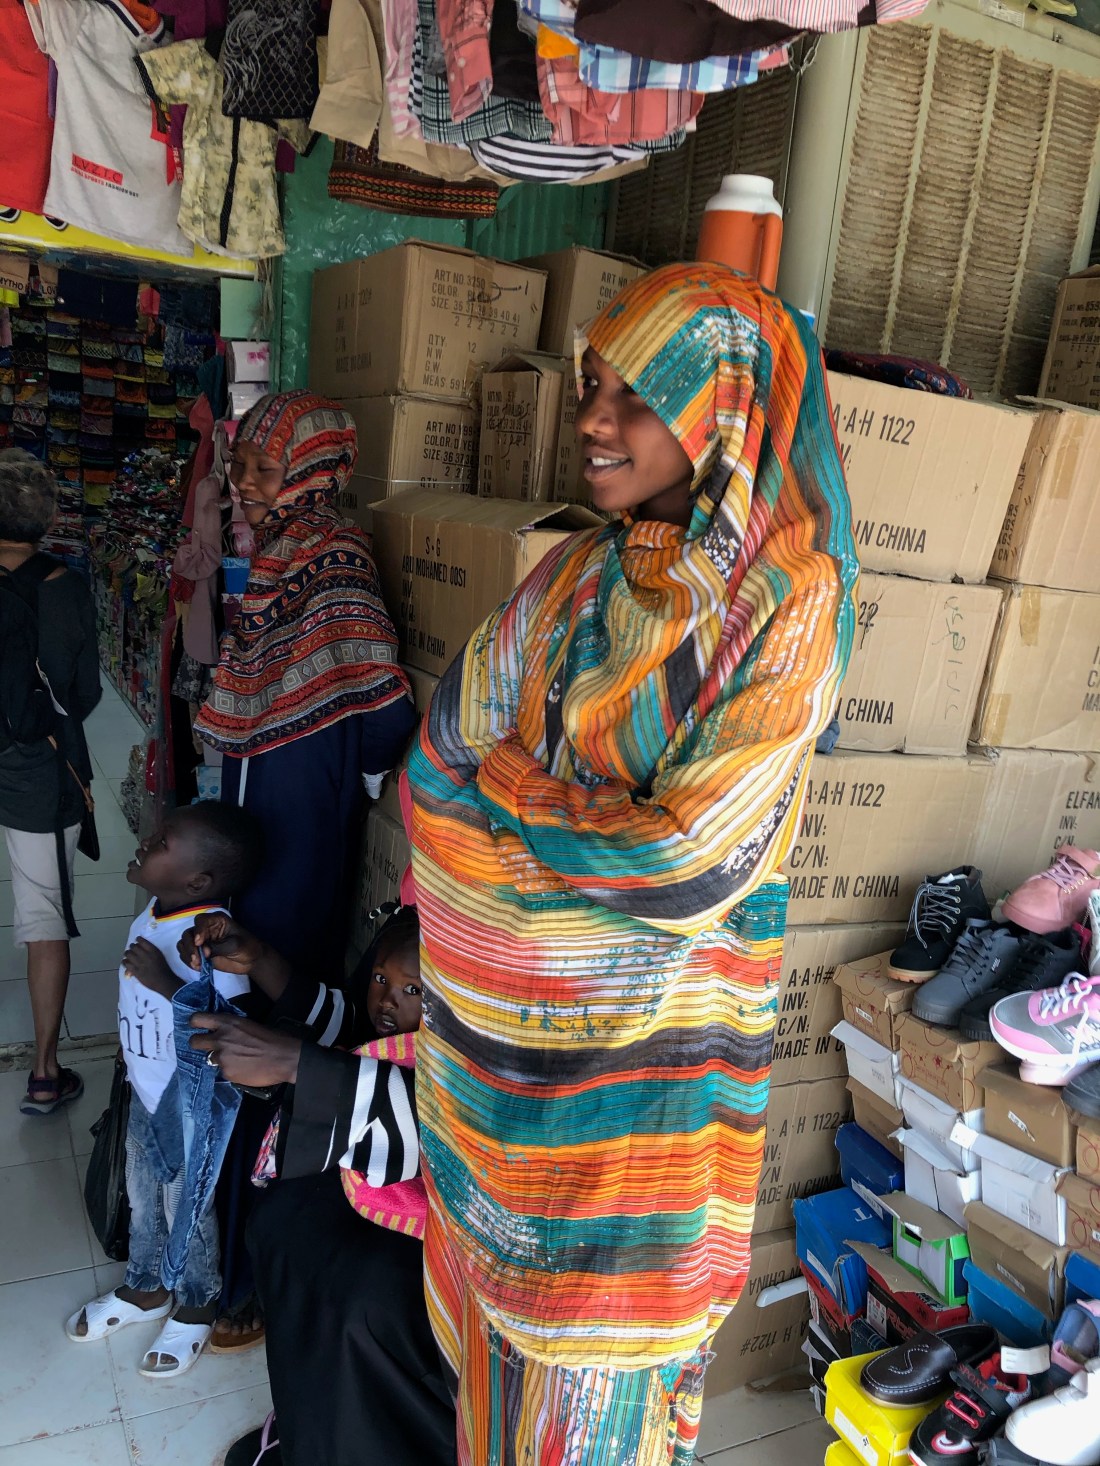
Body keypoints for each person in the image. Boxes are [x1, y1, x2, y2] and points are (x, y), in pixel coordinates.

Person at [404, 264, 859, 1462]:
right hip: (503, 1106)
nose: (593, 421)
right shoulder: (574, 572)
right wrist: (572, 863)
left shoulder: (786, 604)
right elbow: (436, 763)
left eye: (637, 395)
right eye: (589, 386)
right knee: (495, 1409)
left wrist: (516, 805)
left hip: (636, 1123)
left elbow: (686, 871)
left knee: (592, 1410)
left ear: (726, 409)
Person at [192, 389, 417, 1347]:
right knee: (239, 998)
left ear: (315, 472)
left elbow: (386, 706)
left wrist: (348, 785)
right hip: (258, 826)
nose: (245, 481)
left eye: (264, 466)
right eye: (241, 462)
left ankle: (250, 1270)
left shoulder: (334, 562)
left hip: (301, 830)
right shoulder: (275, 560)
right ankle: (226, 1244)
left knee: (275, 1021)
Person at [179, 905, 455, 1466]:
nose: (389, 999)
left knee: (365, 1300)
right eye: (381, 980)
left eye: (410, 991)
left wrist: (299, 1065)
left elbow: (477, 1125)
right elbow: (354, 1025)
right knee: (279, 1223)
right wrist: (260, 959)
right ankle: (307, 1430)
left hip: (448, 1226)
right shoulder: (419, 923)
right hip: (367, 1194)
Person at [65, 800, 265, 1377]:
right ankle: (146, 1285)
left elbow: (226, 1026)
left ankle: (198, 1300)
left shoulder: (210, 938)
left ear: (197, 881)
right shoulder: (154, 913)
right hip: (144, 1088)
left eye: (161, 843)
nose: (145, 844)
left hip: (187, 1101)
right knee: (142, 1192)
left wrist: (165, 981)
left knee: (187, 1206)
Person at [0, 451, 101, 1117]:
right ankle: (43, 1072)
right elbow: (83, 694)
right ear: (49, 517)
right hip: (39, 767)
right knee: (44, 919)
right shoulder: (67, 589)